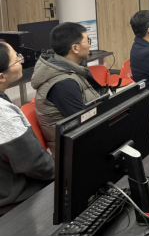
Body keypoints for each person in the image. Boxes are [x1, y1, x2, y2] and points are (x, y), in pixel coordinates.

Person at [0, 42, 55, 216]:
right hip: (17, 202)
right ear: (2, 77)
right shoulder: (3, 114)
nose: (21, 61)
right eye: (17, 59)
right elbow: (35, 164)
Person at [32, 23, 104, 153]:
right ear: (75, 48)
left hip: (82, 141)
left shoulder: (69, 69)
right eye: (87, 41)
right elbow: (85, 124)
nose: (90, 45)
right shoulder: (63, 84)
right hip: (74, 151)